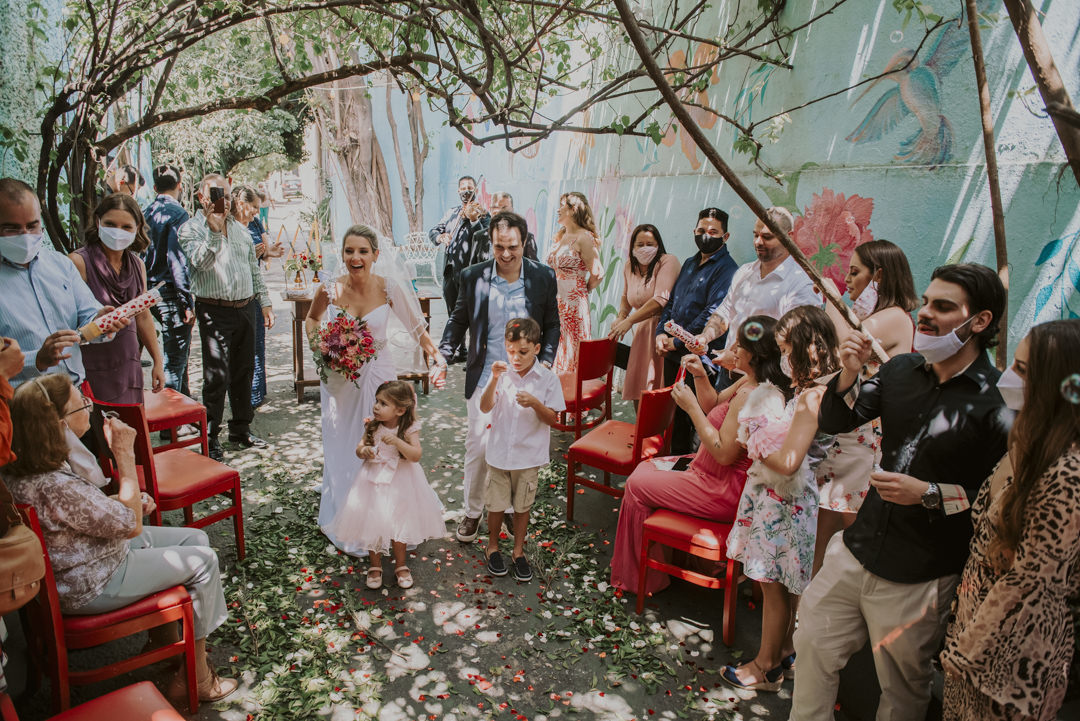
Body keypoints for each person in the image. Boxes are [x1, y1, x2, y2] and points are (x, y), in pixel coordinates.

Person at [789, 263, 1013, 721]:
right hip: (856, 549)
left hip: (921, 575)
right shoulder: (900, 370)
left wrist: (931, 493)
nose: (924, 313)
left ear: (981, 321)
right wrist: (848, 374)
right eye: (926, 302)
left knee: (902, 693)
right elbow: (835, 420)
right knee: (810, 646)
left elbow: (1000, 500)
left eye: (942, 306)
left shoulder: (1000, 402)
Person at [3, 374, 237, 701]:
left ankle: (165, 641)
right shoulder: (55, 483)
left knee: (194, 540)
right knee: (205, 561)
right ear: (58, 424)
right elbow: (131, 526)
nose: (89, 409)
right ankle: (196, 677)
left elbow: (72, 515)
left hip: (81, 559)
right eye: (81, 405)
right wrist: (124, 454)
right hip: (90, 582)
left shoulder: (27, 470)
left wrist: (121, 502)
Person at [939, 320, 1080, 721]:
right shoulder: (1029, 443)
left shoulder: (1068, 472)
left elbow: (1031, 582)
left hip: (1010, 661)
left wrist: (965, 652)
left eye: (1022, 369)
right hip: (973, 632)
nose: (1007, 377)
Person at [609, 316, 786, 596]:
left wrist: (691, 408)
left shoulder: (751, 395)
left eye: (740, 345)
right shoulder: (748, 383)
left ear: (755, 355)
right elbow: (713, 404)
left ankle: (642, 577)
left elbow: (724, 453)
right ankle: (663, 563)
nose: (733, 348)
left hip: (719, 488)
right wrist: (700, 375)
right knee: (647, 468)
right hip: (708, 472)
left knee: (635, 484)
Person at [306, 225, 445, 552]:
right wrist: (321, 347)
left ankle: (387, 517)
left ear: (375, 255)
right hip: (341, 380)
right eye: (349, 251)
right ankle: (348, 511)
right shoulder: (330, 287)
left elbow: (417, 329)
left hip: (380, 379)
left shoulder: (388, 288)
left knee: (384, 440)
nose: (355, 257)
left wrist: (437, 355)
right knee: (346, 441)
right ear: (342, 255)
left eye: (363, 251)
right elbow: (312, 320)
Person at [720, 306, 836, 692]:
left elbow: (788, 462)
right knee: (785, 584)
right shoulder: (819, 388)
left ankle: (766, 666)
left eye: (787, 349)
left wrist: (753, 437)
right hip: (793, 499)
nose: (783, 358)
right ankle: (785, 649)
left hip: (785, 501)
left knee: (772, 585)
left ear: (805, 349)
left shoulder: (811, 396)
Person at [438, 211, 560, 544]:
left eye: (512, 247)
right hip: (486, 377)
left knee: (514, 446)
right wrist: (442, 356)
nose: (505, 254)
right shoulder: (473, 276)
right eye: (498, 247)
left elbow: (552, 325)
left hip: (525, 379)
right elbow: (458, 320)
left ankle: (504, 506)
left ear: (524, 242)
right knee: (479, 446)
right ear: (490, 243)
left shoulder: (543, 277)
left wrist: (545, 363)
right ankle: (473, 511)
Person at [813, 239, 917, 575]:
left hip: (862, 440)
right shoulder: (874, 317)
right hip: (844, 434)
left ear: (879, 276)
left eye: (855, 272)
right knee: (822, 529)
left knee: (844, 530)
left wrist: (832, 297)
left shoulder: (894, 317)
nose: (848, 280)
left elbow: (845, 347)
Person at [178, 173, 275, 461]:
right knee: (217, 376)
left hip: (245, 307)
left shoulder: (242, 231)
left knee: (244, 371)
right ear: (202, 198)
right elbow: (201, 262)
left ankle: (240, 430)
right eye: (216, 194)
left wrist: (265, 302)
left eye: (228, 194)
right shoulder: (190, 229)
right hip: (214, 310)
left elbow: (253, 269)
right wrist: (213, 229)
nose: (225, 200)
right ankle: (210, 437)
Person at [0, 178, 129, 390]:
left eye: (32, 226)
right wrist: (37, 360)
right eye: (12, 229)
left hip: (75, 395)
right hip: (20, 403)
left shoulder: (60, 265)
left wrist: (100, 320)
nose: (25, 236)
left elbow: (88, 315)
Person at [322, 380, 445, 589]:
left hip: (401, 481)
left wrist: (397, 441)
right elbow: (359, 448)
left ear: (400, 410)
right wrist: (365, 451)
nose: (376, 407)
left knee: (400, 521)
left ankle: (401, 565)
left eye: (383, 403)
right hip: (372, 480)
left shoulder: (408, 428)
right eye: (377, 401)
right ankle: (375, 565)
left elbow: (415, 455)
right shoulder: (373, 425)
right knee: (373, 521)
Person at [479, 318, 565, 582]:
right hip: (499, 452)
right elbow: (485, 407)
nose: (515, 358)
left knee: (522, 507)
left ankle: (518, 551)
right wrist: (494, 379)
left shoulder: (547, 379)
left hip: (527, 456)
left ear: (537, 349)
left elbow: (554, 419)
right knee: (496, 505)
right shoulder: (502, 373)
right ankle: (493, 547)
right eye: (510, 350)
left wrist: (536, 404)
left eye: (523, 352)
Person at [695, 207, 819, 382]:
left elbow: (794, 340)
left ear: (789, 237)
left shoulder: (801, 283)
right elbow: (725, 312)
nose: (758, 242)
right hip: (728, 373)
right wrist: (705, 337)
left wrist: (739, 357)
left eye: (767, 237)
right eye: (755, 235)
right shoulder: (745, 272)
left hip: (765, 381)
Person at [654, 207, 739, 454]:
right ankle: (673, 459)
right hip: (673, 354)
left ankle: (691, 463)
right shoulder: (690, 263)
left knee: (696, 416)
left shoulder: (728, 270)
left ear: (725, 236)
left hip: (700, 358)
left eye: (713, 232)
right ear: (694, 231)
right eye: (701, 230)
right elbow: (672, 301)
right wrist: (661, 332)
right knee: (674, 412)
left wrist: (677, 341)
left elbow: (711, 313)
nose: (706, 236)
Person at [68, 194, 165, 403]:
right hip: (91, 367)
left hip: (129, 363)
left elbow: (143, 316)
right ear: (98, 222)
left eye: (126, 227)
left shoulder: (137, 265)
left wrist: (158, 361)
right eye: (110, 224)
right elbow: (68, 319)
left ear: (137, 228)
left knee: (131, 420)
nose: (117, 232)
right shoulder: (78, 262)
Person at [607, 224, 680, 406]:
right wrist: (621, 316)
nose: (645, 248)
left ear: (658, 245)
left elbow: (660, 300)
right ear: (632, 247)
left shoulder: (667, 262)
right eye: (640, 244)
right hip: (640, 334)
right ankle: (640, 423)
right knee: (638, 384)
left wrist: (630, 321)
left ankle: (656, 424)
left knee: (655, 387)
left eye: (650, 244)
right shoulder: (629, 266)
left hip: (660, 332)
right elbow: (625, 297)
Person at [142, 164, 194, 396]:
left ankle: (185, 404)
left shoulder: (147, 212)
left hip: (148, 289)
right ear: (180, 186)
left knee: (179, 356)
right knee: (174, 360)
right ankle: (172, 411)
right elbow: (177, 261)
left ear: (155, 187)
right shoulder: (178, 214)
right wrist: (186, 302)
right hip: (170, 292)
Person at [231, 185, 283, 409]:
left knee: (256, 345)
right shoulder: (227, 228)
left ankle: (256, 394)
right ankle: (243, 398)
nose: (256, 212)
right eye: (253, 207)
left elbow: (262, 255)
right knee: (240, 351)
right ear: (241, 204)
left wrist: (269, 252)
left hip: (254, 290)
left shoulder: (254, 223)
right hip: (235, 294)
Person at [429, 175, 490, 361]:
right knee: (452, 310)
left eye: (470, 187)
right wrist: (441, 237)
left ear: (475, 189)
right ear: (458, 191)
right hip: (450, 269)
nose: (466, 191)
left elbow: (485, 235)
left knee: (471, 311)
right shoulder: (451, 213)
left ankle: (474, 352)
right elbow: (434, 231)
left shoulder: (482, 214)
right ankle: (459, 349)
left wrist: (473, 220)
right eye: (463, 188)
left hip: (470, 270)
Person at [547, 191, 602, 374]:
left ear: (573, 209)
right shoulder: (562, 236)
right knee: (555, 347)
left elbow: (598, 273)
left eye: (562, 205)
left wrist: (581, 290)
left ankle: (570, 390)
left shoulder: (583, 237)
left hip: (573, 305)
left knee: (571, 352)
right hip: (555, 302)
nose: (558, 210)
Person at [472, 192, 538, 261]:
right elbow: (472, 267)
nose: (499, 211)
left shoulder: (527, 238)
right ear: (490, 210)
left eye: (504, 208)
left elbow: (533, 266)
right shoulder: (479, 237)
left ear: (512, 210)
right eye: (495, 207)